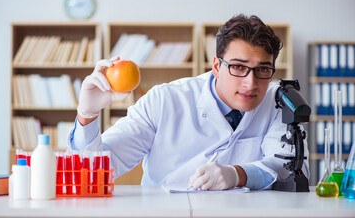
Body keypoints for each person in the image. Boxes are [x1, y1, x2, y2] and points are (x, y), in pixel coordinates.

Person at [69, 14, 309, 191]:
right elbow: (91, 172)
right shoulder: (164, 100)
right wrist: (87, 114)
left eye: (263, 69)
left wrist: (239, 174)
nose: (250, 83)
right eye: (238, 67)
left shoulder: (279, 101)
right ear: (216, 66)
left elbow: (291, 169)